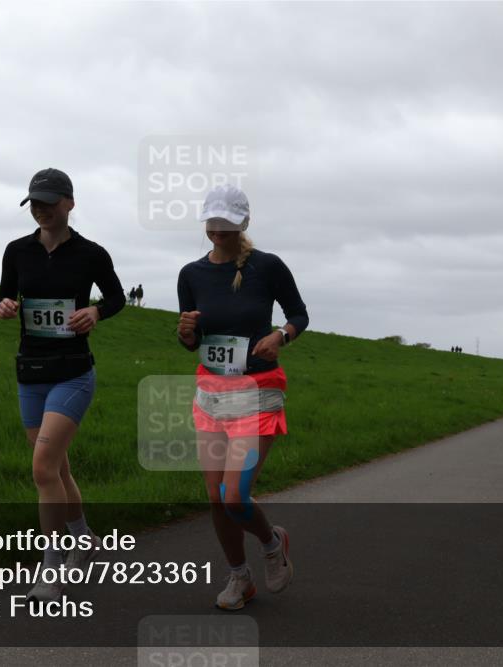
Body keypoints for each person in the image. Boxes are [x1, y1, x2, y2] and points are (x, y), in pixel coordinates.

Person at [0, 167, 125, 602]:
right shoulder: (17, 251)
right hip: (30, 373)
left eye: (50, 202)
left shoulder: (91, 254)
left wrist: (96, 313)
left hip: (72, 372)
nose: (42, 210)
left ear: (70, 203)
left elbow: (117, 298)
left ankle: (51, 568)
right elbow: (3, 294)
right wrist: (6, 306)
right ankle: (83, 537)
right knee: (58, 468)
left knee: (42, 469)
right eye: (35, 202)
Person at [176, 184, 308, 610]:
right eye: (212, 222)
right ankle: (239, 578)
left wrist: (280, 336)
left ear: (243, 223)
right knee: (216, 498)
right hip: (211, 394)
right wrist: (185, 334)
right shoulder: (191, 274)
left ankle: (272, 545)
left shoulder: (267, 267)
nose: (218, 230)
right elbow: (191, 339)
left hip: (257, 393)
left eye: (226, 223)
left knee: (235, 496)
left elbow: (299, 314)